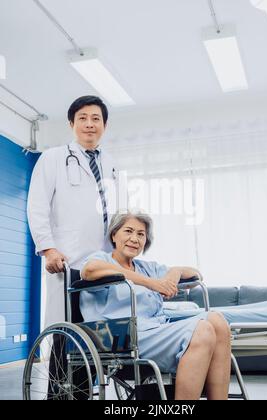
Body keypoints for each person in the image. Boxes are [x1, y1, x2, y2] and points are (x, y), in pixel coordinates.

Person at [80, 210, 232, 401]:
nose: (134, 238)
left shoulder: (147, 267)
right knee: (203, 331)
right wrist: (151, 283)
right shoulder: (102, 260)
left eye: (141, 234)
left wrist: (173, 274)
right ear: (114, 235)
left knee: (217, 320)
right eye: (128, 231)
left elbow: (195, 275)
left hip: (155, 329)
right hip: (120, 336)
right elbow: (89, 270)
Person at [27, 95, 124, 327]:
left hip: (105, 258)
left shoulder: (111, 163)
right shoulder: (53, 158)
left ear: (104, 125)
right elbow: (37, 206)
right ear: (72, 124)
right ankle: (58, 365)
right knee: (66, 323)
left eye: (95, 118)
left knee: (100, 325)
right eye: (82, 118)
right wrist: (48, 249)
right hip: (67, 256)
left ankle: (95, 365)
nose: (89, 124)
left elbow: (118, 211)